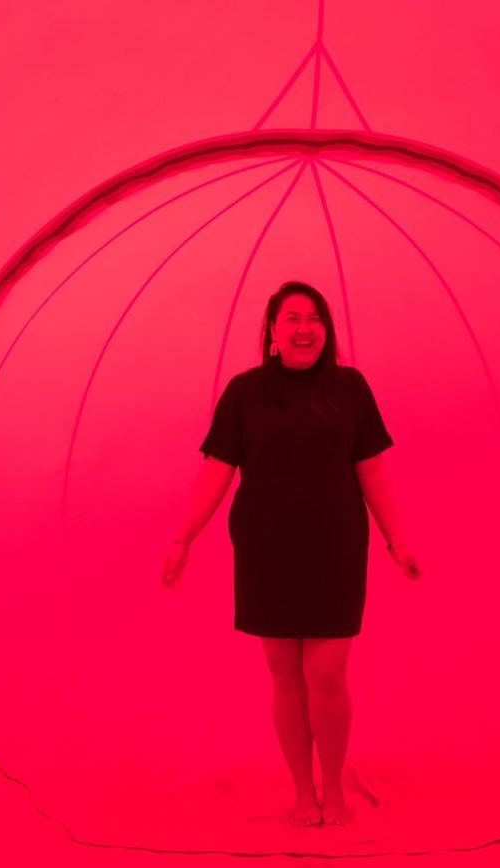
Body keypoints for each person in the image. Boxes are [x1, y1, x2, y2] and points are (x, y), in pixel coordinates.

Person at [162, 281, 422, 827]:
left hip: (335, 547)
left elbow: (372, 468)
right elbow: (216, 470)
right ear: (273, 333)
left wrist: (397, 539)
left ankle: (336, 788)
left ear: (325, 331)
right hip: (265, 548)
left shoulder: (349, 388)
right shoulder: (244, 392)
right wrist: (183, 537)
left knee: (327, 675)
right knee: (284, 677)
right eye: (292, 319)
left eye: (314, 319)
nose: (304, 328)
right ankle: (303, 792)